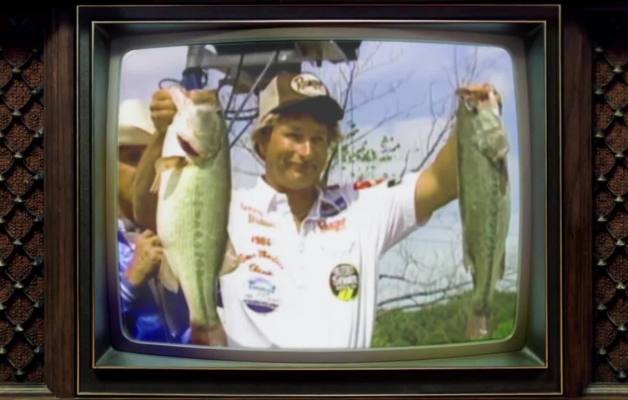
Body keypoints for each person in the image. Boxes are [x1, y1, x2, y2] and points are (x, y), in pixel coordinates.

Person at [131, 72, 459, 348]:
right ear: (263, 141)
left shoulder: (363, 207)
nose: (306, 151)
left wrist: (474, 121)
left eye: (319, 139)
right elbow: (145, 212)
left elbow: (442, 182)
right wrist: (163, 135)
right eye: (294, 135)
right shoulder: (226, 205)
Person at [117, 99, 190, 343]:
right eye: (133, 158)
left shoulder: (180, 229)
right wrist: (131, 279)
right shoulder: (88, 240)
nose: (143, 169)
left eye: (151, 159)